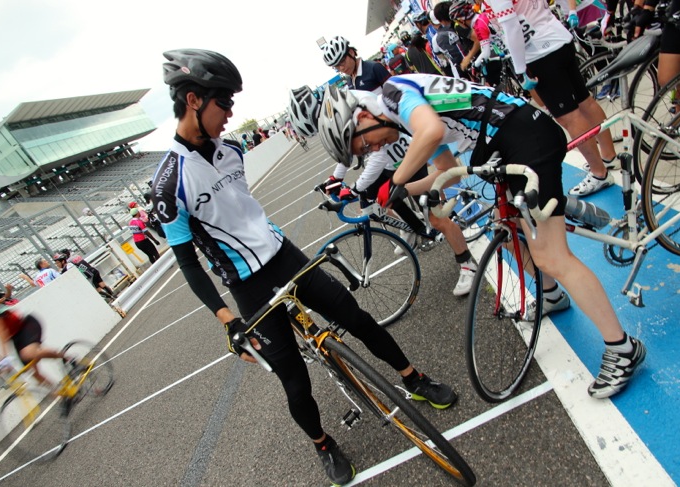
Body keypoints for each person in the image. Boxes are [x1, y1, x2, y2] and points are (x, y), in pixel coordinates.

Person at [153, 48, 458, 486]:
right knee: (294, 380)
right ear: (194, 100)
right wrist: (228, 322)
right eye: (225, 102)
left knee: (356, 317)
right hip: (248, 288)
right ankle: (323, 444)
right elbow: (189, 265)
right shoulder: (169, 183)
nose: (231, 112)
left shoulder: (232, 150)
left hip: (285, 256)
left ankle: (415, 379)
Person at [317, 75, 647, 399]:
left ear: (362, 116)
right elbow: (444, 171)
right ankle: (553, 295)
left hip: (524, 136)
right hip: (506, 144)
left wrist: (397, 180)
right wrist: (393, 195)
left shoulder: (393, 94)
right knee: (506, 232)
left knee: (551, 257)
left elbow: (431, 132)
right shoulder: (401, 120)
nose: (375, 149)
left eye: (366, 143)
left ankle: (622, 348)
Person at [321, 36, 479, 296]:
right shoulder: (352, 83)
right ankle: (416, 230)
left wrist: (359, 184)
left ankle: (466, 263)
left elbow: (396, 107)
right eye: (336, 67)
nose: (341, 68)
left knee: (433, 211)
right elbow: (360, 146)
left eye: (342, 62)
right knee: (399, 198)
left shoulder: (373, 70)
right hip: (391, 145)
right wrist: (336, 176)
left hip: (405, 140)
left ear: (352, 52)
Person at [456, 0, 619, 197]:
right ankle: (608, 156)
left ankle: (599, 173)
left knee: (569, 116)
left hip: (540, 52)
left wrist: (520, 69)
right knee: (585, 101)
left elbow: (511, 26)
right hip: (557, 39)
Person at [0, 306, 66, 386]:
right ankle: (59, 392)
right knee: (32, 372)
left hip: (26, 325)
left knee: (28, 353)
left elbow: (3, 333)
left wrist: (4, 358)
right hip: (15, 336)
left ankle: (67, 358)